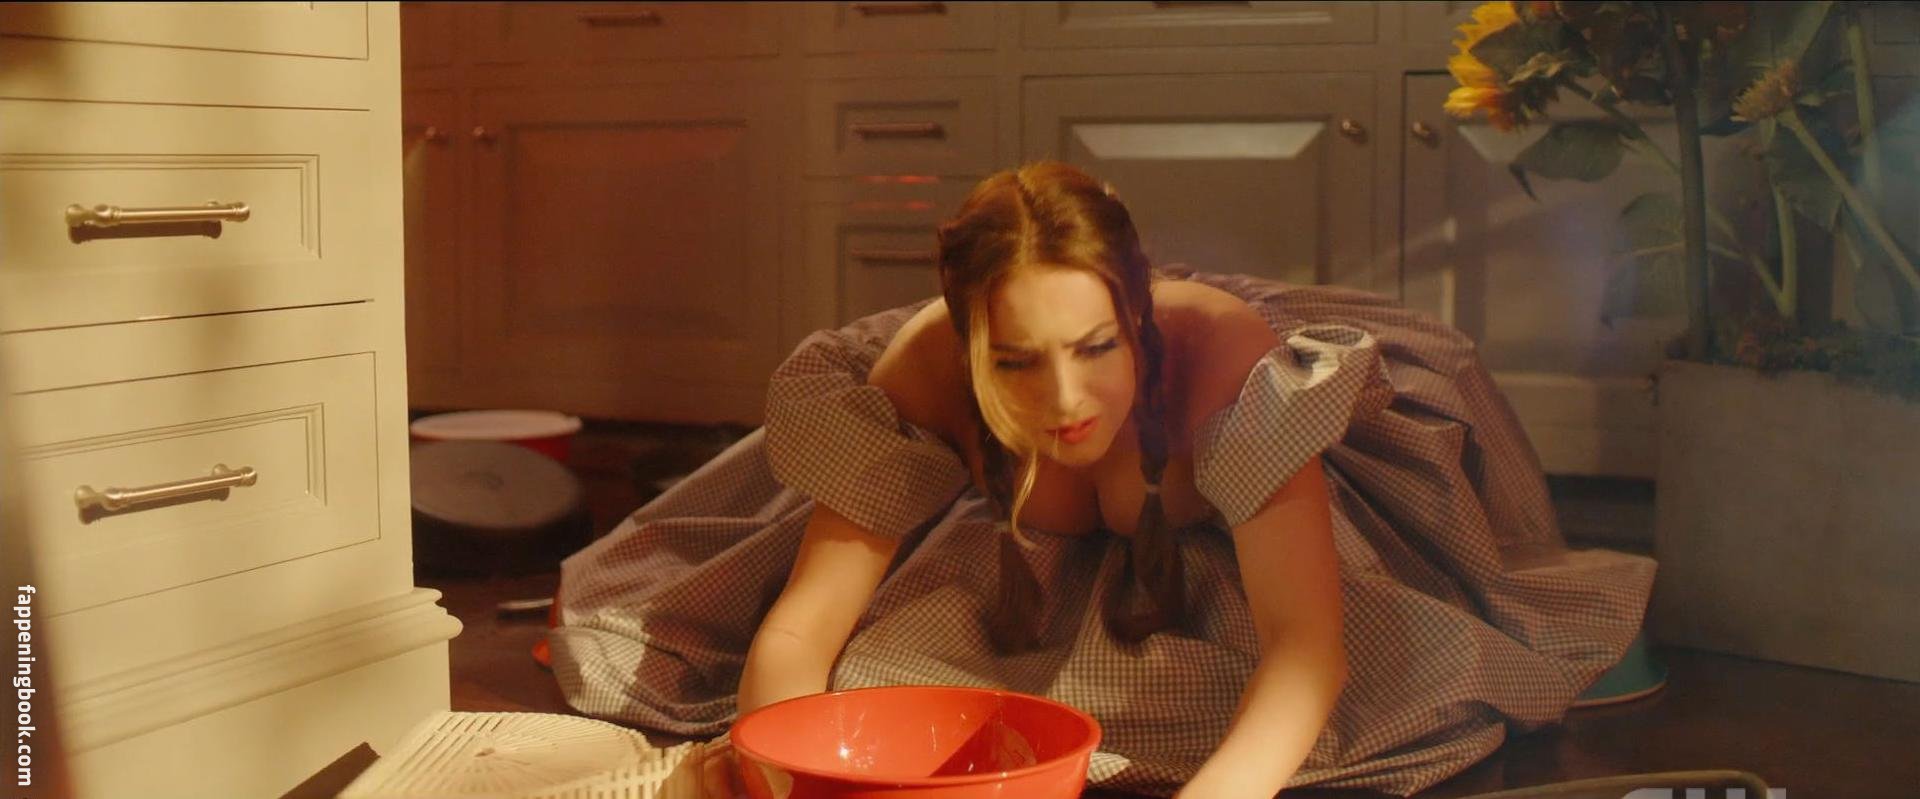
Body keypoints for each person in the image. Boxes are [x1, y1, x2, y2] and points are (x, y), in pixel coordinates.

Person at [549, 162, 1656, 797]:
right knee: (876, 695)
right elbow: (803, 626)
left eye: (1095, 348)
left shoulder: (1225, 365)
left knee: (1360, 706)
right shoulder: (920, 371)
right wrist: (786, 777)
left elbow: (1306, 647)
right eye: (1016, 363)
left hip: (1249, 510)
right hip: (1012, 538)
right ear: (970, 346)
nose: (1065, 398)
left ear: (1136, 317)